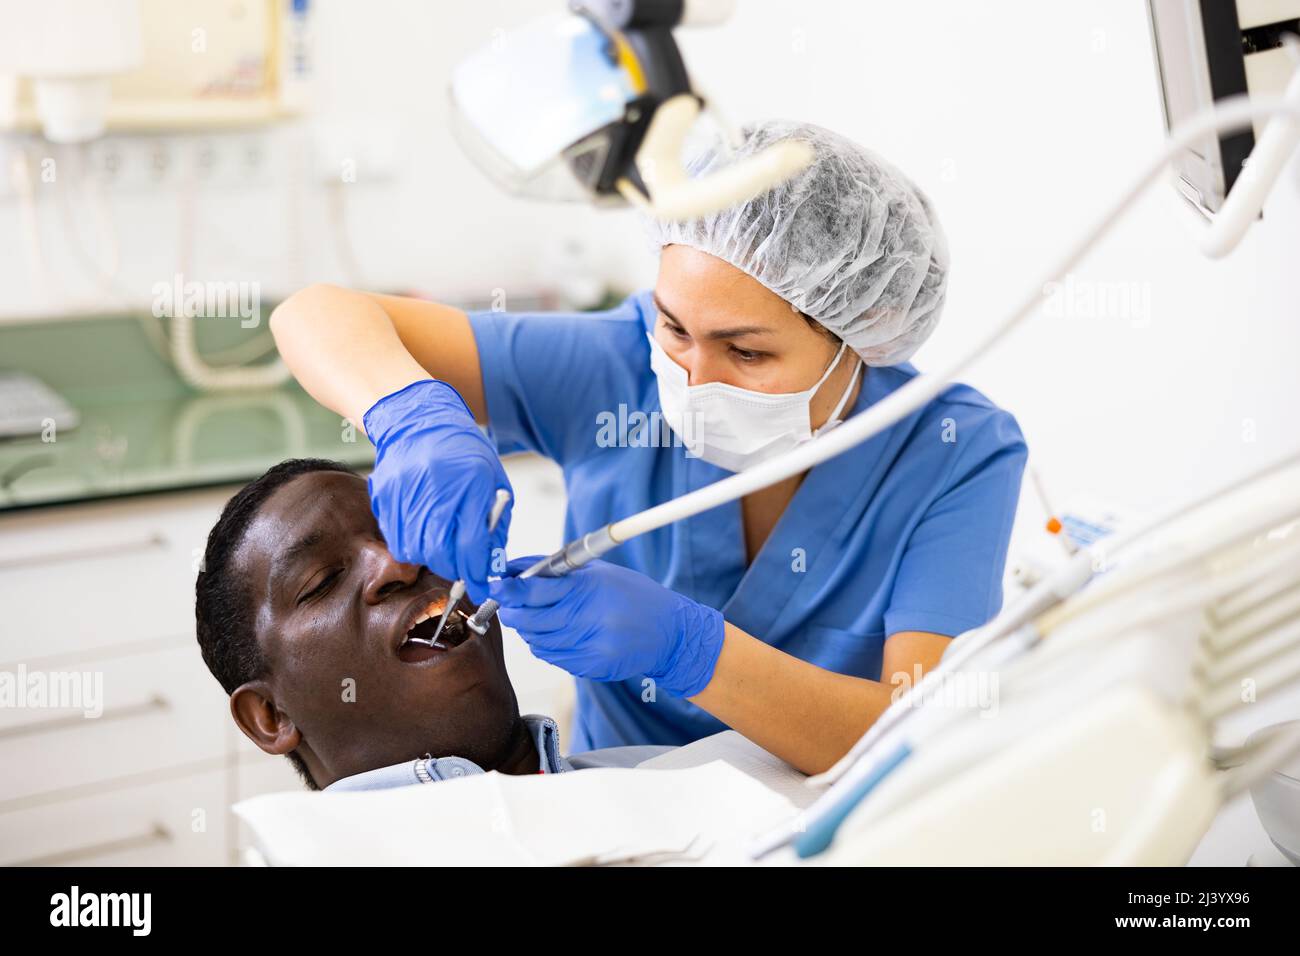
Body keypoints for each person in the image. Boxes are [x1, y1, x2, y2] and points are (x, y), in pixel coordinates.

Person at [269, 120, 1028, 775]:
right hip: (615, 807)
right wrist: (409, 412)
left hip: (829, 819)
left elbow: (916, 730)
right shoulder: (618, 365)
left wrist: (692, 652)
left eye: (747, 353)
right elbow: (314, 314)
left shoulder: (954, 451)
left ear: (861, 335)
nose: (691, 379)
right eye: (675, 327)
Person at [194, 458, 672, 791]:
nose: (399, 562)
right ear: (271, 717)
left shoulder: (688, 785)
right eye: (321, 581)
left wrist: (686, 648)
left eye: (403, 532)